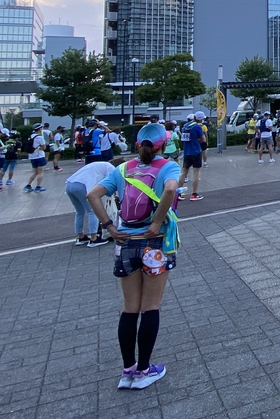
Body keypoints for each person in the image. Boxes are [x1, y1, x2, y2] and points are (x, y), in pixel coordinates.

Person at [87, 122, 180, 390]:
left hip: (125, 241)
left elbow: (93, 194)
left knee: (130, 308)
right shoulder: (168, 166)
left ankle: (127, 370)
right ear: (163, 144)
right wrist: (156, 222)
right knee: (151, 306)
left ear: (138, 144)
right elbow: (171, 189)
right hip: (155, 243)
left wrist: (109, 227)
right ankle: (144, 370)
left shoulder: (122, 169)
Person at [66, 158, 122, 247]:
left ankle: (80, 237)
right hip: (82, 186)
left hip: (69, 184)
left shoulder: (101, 164)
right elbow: (112, 184)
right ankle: (94, 238)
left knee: (79, 212)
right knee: (92, 211)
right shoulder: (111, 168)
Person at [179, 112, 208, 200]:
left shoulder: (185, 126)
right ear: (200, 119)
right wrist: (198, 139)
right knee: (196, 173)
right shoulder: (197, 127)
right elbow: (204, 140)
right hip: (196, 151)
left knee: (184, 173)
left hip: (187, 152)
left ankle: (178, 193)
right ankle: (194, 194)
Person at [24, 123, 48, 193]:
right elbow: (44, 148)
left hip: (32, 156)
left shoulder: (31, 136)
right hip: (39, 156)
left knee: (36, 172)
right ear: (40, 129)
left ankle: (28, 185)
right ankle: (38, 187)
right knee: (41, 172)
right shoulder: (40, 137)